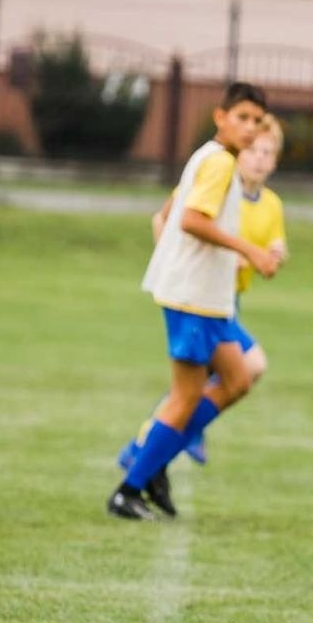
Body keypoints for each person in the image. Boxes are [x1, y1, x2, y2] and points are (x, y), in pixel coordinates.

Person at [106, 82, 282, 520]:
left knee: (238, 379)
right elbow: (189, 220)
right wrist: (249, 250)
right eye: (241, 117)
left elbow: (170, 214)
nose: (249, 128)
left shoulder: (210, 157)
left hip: (209, 300)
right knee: (184, 398)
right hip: (194, 300)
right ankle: (130, 487)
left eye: (256, 121)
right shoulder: (219, 163)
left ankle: (155, 460)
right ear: (220, 116)